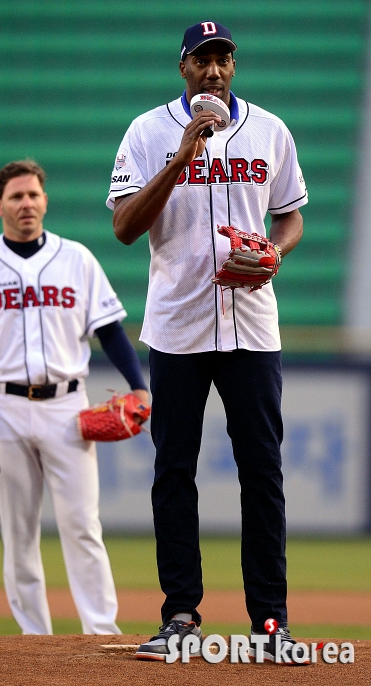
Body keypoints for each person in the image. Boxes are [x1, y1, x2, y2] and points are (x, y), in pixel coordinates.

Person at [107, 21, 308, 663]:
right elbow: (124, 227)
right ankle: (180, 614)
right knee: (173, 472)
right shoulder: (148, 131)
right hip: (177, 326)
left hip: (252, 325)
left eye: (224, 59)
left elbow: (292, 213)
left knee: (264, 473)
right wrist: (182, 156)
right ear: (183, 68)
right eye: (203, 60)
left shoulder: (270, 130)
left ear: (233, 65)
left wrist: (276, 251)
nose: (215, 71)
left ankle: (270, 624)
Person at [0, 159, 149, 636]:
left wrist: (138, 384)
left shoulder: (77, 260)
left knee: (81, 524)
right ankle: (34, 638)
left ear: (45, 201)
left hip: (68, 407)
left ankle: (101, 630)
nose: (26, 203)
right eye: (16, 196)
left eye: (33, 195)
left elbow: (110, 332)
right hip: (3, 409)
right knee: (19, 531)